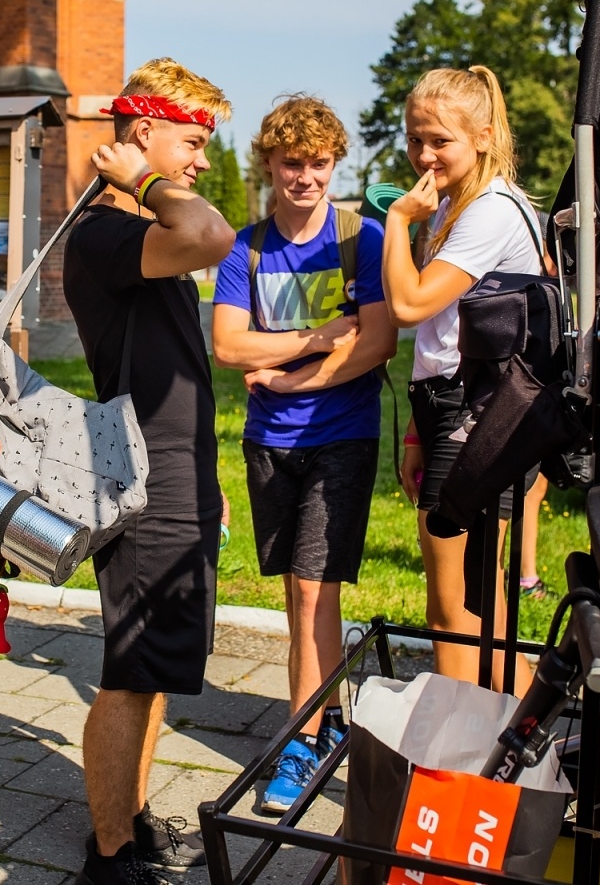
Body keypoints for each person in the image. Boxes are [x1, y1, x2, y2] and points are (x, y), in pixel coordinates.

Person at [62, 58, 237, 884]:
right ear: (141, 133)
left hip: (176, 470)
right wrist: (139, 178)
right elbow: (212, 235)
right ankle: (109, 860)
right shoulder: (105, 233)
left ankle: (129, 818)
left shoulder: (142, 236)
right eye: (192, 144)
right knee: (130, 671)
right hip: (141, 479)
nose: (201, 162)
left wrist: (206, 474)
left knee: (157, 664)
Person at [210, 95, 396, 814]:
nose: (306, 178)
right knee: (298, 592)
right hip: (270, 443)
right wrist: (318, 338)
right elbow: (229, 346)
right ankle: (328, 711)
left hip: (340, 435)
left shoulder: (362, 239)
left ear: (335, 163)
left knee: (316, 591)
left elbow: (377, 342)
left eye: (319, 163)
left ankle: (299, 742)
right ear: (269, 163)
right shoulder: (246, 247)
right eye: (292, 163)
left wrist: (288, 376)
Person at [382, 65, 540, 691]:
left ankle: (462, 741)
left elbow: (410, 305)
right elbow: (439, 333)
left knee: (454, 612)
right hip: (453, 406)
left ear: (483, 135)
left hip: (478, 412)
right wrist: (417, 432)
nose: (424, 155)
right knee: (475, 604)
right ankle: (527, 732)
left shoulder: (490, 212)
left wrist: (397, 221)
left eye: (439, 141)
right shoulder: (458, 204)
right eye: (414, 139)